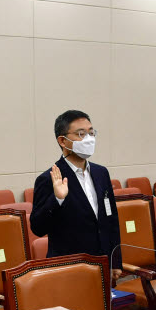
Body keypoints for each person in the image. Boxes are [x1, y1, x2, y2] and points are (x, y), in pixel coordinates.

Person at [31, 110, 121, 272]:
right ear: (63, 141)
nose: (88, 139)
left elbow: (111, 220)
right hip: (69, 268)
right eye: (81, 134)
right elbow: (37, 227)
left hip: (102, 263)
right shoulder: (49, 178)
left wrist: (115, 262)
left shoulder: (101, 173)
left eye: (91, 133)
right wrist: (57, 199)